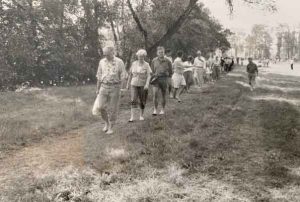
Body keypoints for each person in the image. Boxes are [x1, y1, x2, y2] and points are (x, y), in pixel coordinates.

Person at [96, 45, 126, 134]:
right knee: (100, 107)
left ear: (113, 52)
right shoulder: (101, 62)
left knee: (113, 109)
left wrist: (122, 88)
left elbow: (123, 76)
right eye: (104, 54)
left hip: (115, 87)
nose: (106, 56)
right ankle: (106, 123)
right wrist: (97, 89)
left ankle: (111, 127)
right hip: (103, 87)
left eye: (107, 54)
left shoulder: (119, 62)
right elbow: (99, 75)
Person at [127, 49, 152, 122]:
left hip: (143, 84)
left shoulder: (146, 64)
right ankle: (132, 117)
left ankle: (141, 115)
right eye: (139, 56)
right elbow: (130, 75)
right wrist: (127, 84)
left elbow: (149, 75)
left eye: (142, 57)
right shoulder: (134, 63)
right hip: (134, 84)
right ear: (137, 56)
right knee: (133, 99)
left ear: (144, 57)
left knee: (142, 100)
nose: (140, 58)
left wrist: (147, 84)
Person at [151, 46, 173, 115]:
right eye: (159, 52)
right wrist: (154, 76)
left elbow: (171, 71)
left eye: (162, 52)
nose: (161, 53)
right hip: (156, 79)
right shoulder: (154, 60)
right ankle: (155, 109)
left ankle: (162, 109)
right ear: (157, 53)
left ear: (164, 53)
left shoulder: (168, 61)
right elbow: (152, 70)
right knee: (155, 94)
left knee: (163, 95)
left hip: (164, 79)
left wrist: (168, 77)